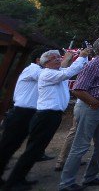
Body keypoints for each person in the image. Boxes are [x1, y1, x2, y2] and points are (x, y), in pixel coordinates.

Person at [5, 47, 89, 190]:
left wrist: (82, 58)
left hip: (51, 115)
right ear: (44, 62)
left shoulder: (56, 72)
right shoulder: (46, 74)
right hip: (45, 116)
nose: (59, 59)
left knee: (36, 149)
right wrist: (81, 56)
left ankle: (19, 178)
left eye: (59, 57)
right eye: (55, 58)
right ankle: (13, 182)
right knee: (32, 149)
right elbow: (70, 71)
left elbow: (69, 70)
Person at [58, 35, 99, 191]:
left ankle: (90, 178)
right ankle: (66, 183)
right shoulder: (94, 64)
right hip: (91, 108)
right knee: (80, 146)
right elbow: (78, 88)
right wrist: (94, 102)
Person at [0, 50, 45, 183]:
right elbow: (56, 75)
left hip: (28, 113)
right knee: (8, 145)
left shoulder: (38, 71)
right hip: (21, 113)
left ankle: (13, 177)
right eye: (53, 58)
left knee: (13, 145)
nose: (58, 60)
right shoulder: (34, 69)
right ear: (38, 60)